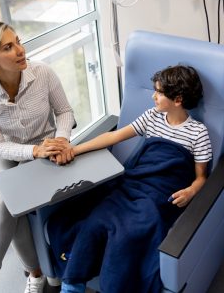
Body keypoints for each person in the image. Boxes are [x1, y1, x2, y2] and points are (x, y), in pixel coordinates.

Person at [48, 65, 212, 293]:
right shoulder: (152, 117)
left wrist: (191, 192)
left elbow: (201, 178)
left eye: (159, 92)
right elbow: (114, 135)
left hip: (160, 196)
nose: (153, 96)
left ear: (178, 99)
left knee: (129, 234)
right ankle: (72, 285)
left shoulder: (198, 133)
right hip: (132, 184)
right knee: (96, 220)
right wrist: (74, 149)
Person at [0, 21, 76, 293]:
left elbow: (64, 112)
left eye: (18, 41)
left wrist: (61, 139)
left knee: (10, 203)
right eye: (8, 47)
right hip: (4, 153)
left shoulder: (43, 73)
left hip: (45, 144)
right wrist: (32, 151)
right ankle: (34, 273)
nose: (20, 50)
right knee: (9, 201)